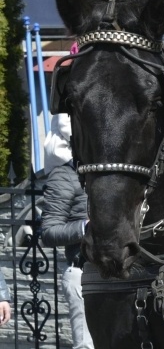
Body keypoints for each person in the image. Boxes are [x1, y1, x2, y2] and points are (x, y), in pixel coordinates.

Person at [41, 113, 94, 349]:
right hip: (83, 274)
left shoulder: (116, 173)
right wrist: (86, 228)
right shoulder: (65, 175)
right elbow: (49, 232)